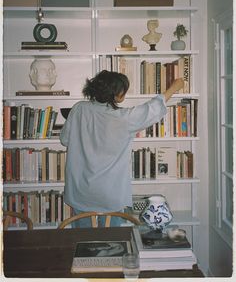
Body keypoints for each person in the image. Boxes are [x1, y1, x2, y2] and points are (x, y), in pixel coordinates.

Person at [60, 70, 184, 227]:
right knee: (114, 245)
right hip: (111, 195)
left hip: (81, 193)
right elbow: (151, 109)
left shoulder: (78, 109)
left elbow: (64, 140)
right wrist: (174, 87)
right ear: (117, 94)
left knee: (84, 245)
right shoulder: (124, 118)